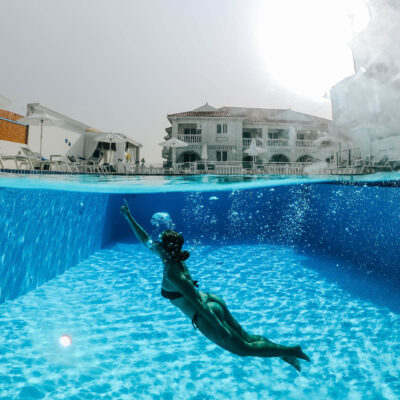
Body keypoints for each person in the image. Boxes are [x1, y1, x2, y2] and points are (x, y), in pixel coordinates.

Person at [120, 201, 310, 371]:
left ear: (165, 247)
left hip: (205, 312)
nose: (156, 243)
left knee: (244, 348)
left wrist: (219, 327)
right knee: (247, 337)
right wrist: (128, 216)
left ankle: (292, 350)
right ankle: (283, 352)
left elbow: (198, 304)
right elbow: (145, 240)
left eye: (160, 241)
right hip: (211, 299)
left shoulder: (173, 274)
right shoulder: (170, 256)